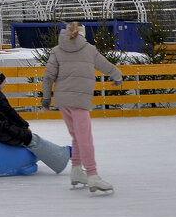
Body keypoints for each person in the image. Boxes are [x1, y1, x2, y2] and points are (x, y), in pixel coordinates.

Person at [41, 20, 123, 193]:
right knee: (85, 138)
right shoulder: (89, 49)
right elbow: (105, 65)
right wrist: (117, 76)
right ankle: (92, 175)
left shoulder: (57, 50)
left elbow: (48, 76)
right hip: (79, 100)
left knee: (77, 136)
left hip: (63, 101)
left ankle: (77, 170)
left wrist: (46, 98)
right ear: (82, 34)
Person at [0, 70, 71, 173]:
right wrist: (24, 125)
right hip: (3, 131)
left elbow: (4, 115)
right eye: (4, 82)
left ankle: (63, 152)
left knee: (32, 138)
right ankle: (63, 156)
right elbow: (10, 113)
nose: (5, 84)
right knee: (33, 139)